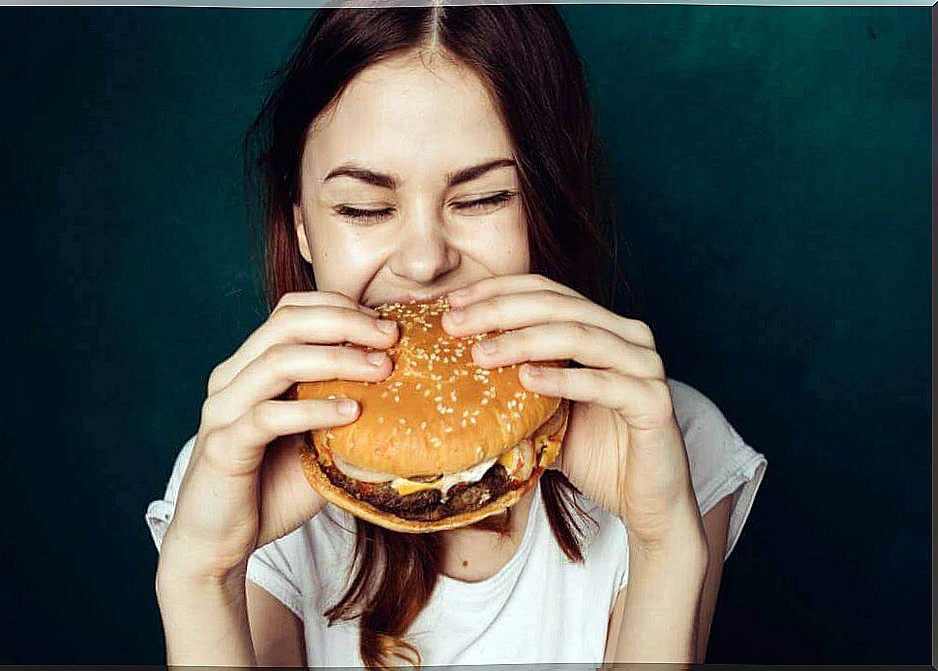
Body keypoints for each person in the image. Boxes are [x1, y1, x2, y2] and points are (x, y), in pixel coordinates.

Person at [145, 5, 768, 668]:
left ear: (544, 205)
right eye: (364, 207)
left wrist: (664, 544)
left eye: (482, 199)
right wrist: (201, 577)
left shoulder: (672, 438)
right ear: (302, 227)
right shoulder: (242, 465)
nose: (424, 261)